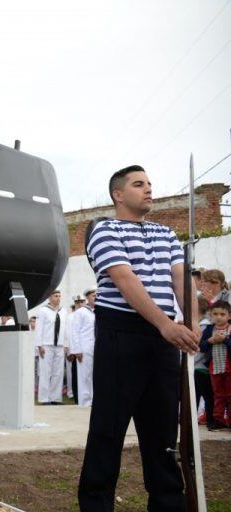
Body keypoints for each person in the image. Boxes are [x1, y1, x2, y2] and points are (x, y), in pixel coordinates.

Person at [78, 165, 199, 511]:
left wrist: (190, 324)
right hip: (122, 334)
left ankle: (167, 504)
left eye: (149, 184)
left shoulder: (167, 234)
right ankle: (96, 505)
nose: (148, 189)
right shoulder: (104, 231)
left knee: (163, 433)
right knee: (108, 430)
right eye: (138, 184)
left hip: (165, 340)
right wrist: (165, 324)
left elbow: (181, 278)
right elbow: (125, 279)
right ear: (118, 194)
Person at [199, 300, 231, 431]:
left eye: (222, 314)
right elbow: (201, 347)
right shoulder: (209, 330)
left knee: (230, 394)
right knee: (218, 394)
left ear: (229, 316)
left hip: (229, 368)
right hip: (215, 368)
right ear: (210, 315)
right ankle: (218, 419)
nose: (218, 317)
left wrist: (225, 340)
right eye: (215, 314)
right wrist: (210, 341)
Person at [34, 290, 67, 405]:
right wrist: (39, 345)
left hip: (60, 345)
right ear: (49, 298)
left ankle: (55, 398)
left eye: (59, 296)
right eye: (55, 296)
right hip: (46, 345)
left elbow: (65, 329)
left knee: (58, 373)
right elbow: (39, 329)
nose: (58, 298)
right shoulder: (43, 311)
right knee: (45, 372)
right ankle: (44, 398)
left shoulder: (63, 312)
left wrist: (65, 345)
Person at [70, 289, 96, 407]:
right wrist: (77, 350)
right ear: (87, 298)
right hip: (84, 348)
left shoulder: (98, 311)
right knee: (84, 376)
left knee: (95, 375)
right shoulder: (81, 312)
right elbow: (74, 331)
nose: (95, 297)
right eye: (93, 295)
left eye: (97, 295)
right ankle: (84, 402)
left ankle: (93, 400)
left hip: (97, 347)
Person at [195, 295, 216, 428]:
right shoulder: (202, 325)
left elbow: (200, 348)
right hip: (196, 367)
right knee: (197, 395)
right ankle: (191, 419)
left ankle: (210, 420)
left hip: (201, 367)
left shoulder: (205, 327)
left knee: (208, 395)